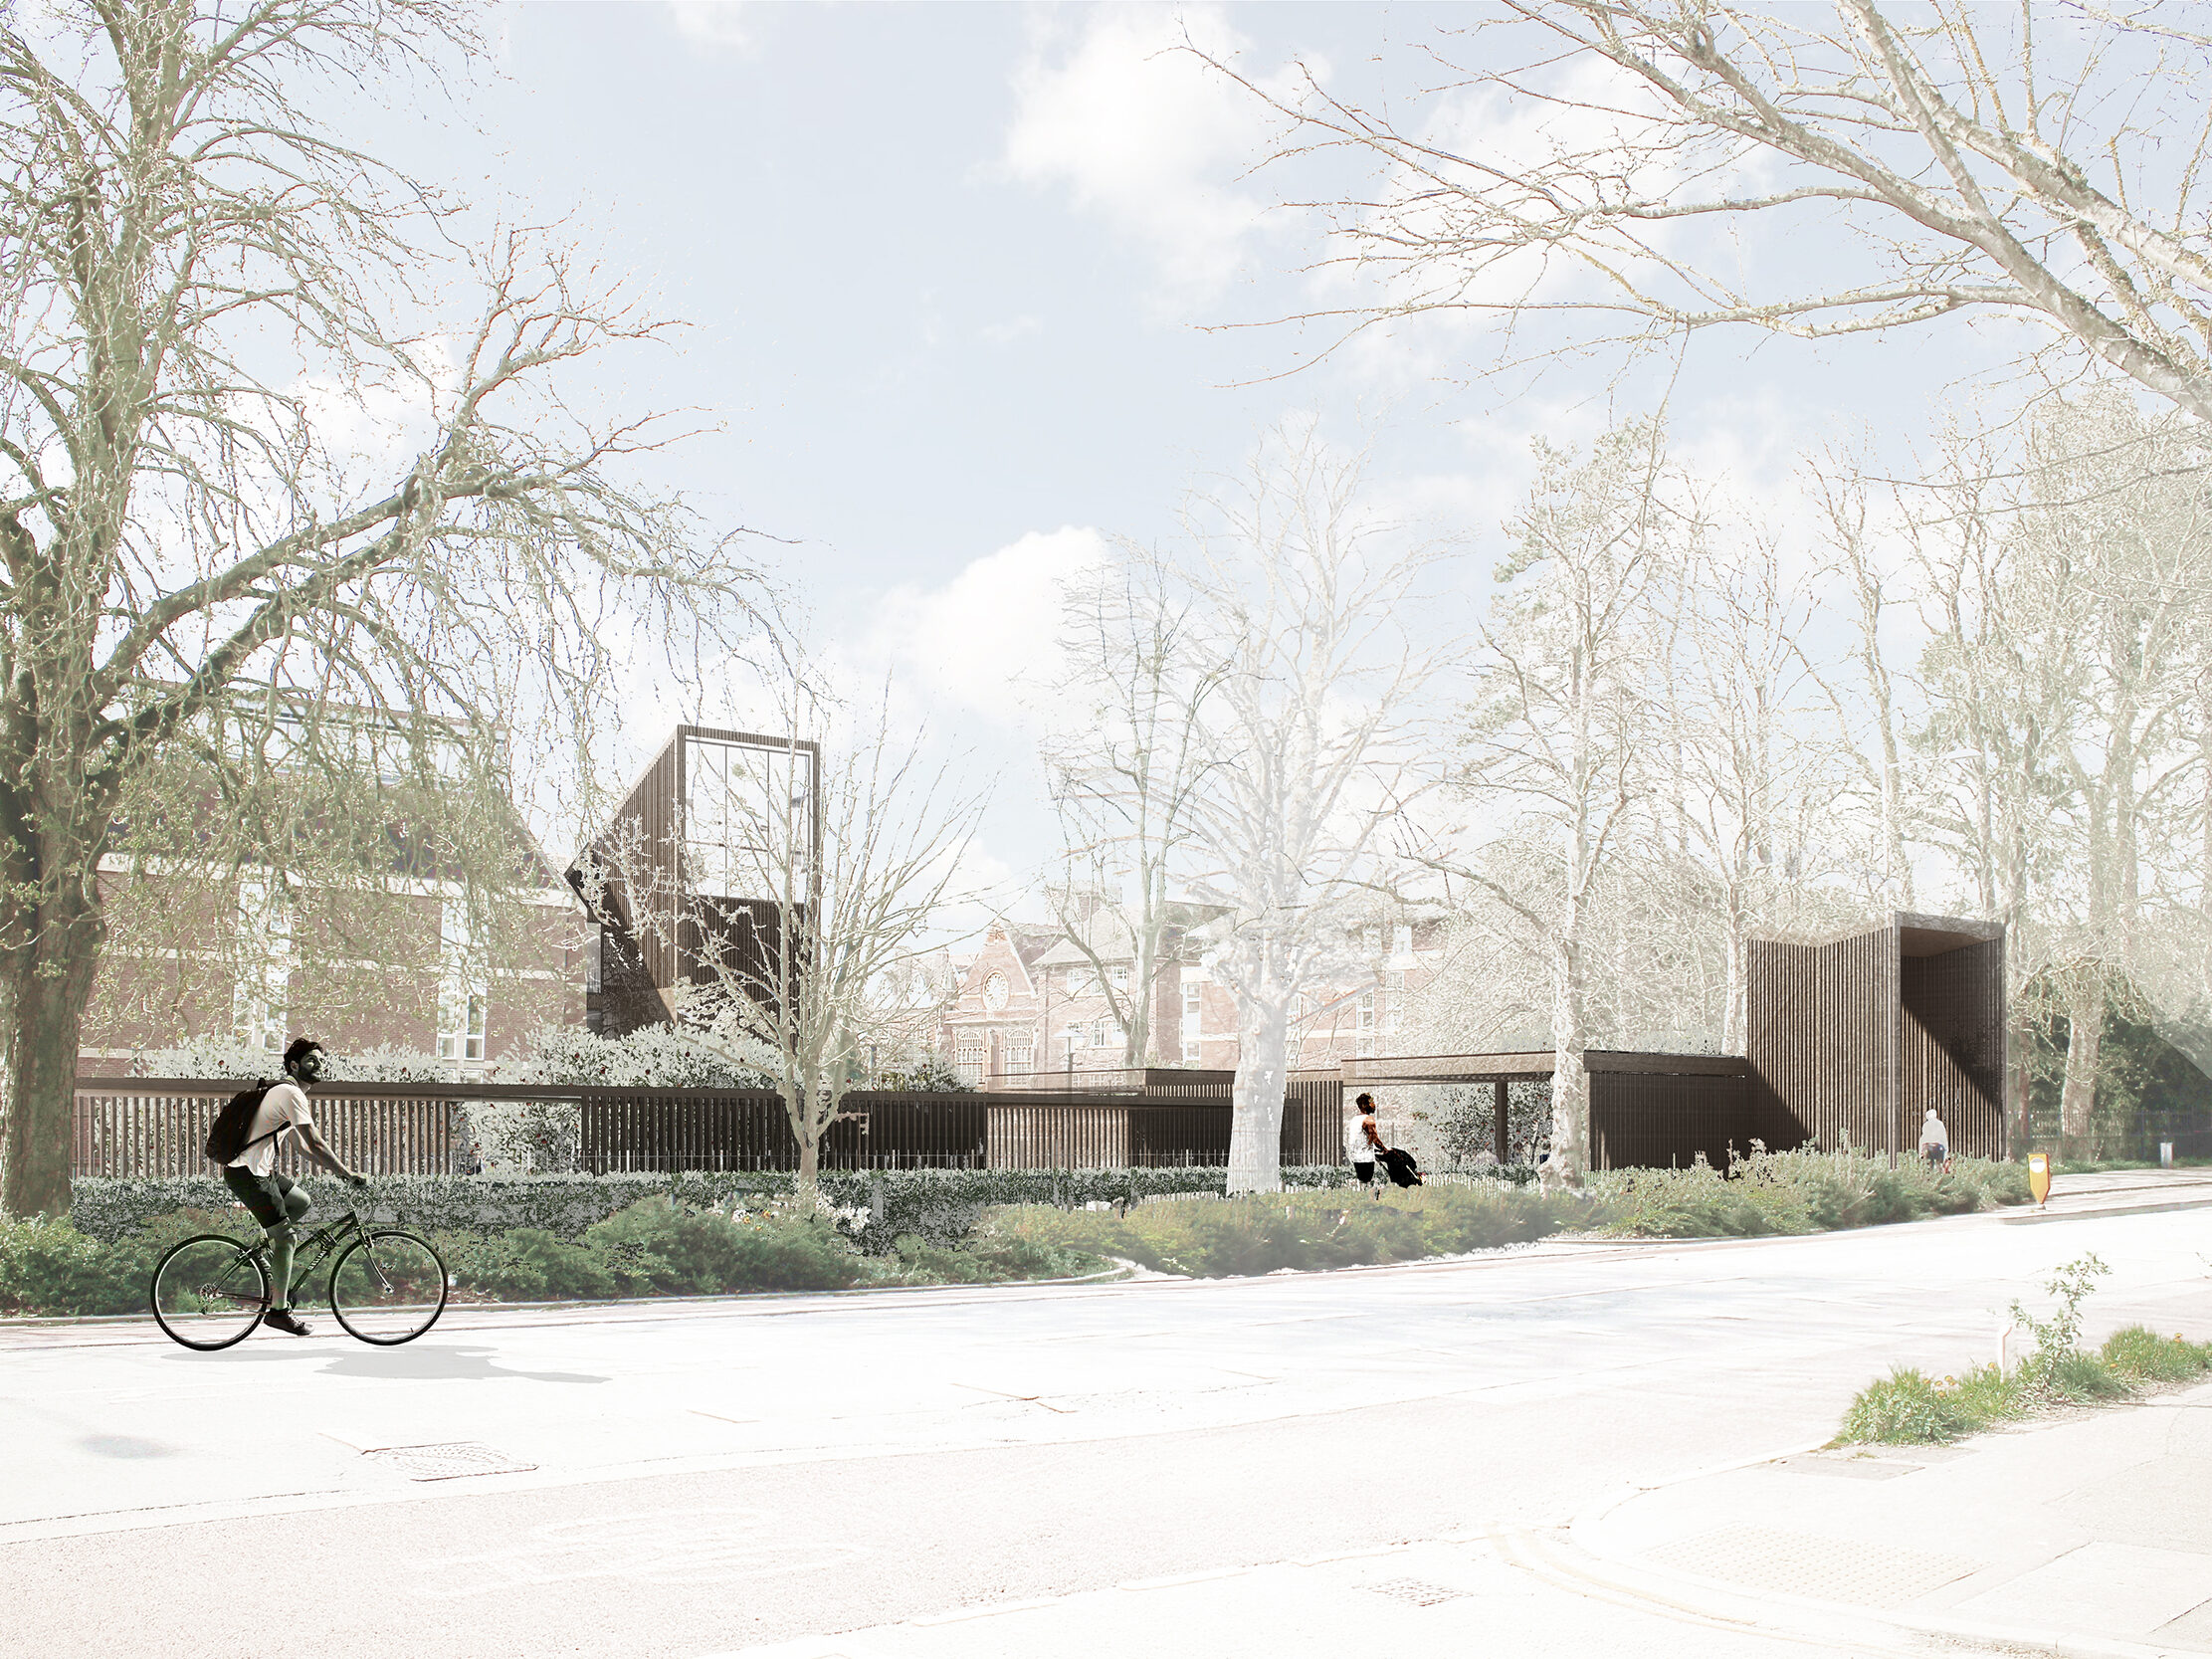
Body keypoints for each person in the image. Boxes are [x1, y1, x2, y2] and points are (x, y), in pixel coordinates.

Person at [220, 1037, 367, 1336]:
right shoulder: (290, 1092)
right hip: (248, 1174)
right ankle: (278, 1311)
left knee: (300, 1201)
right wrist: (346, 1173)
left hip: (260, 1172)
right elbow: (314, 1142)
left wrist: (336, 1171)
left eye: (322, 1062)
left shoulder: (286, 1092)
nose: (319, 1066)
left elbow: (302, 1147)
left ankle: (255, 1254)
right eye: (312, 1060)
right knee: (287, 1239)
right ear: (294, 1065)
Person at [1346, 1092, 1387, 1199]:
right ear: (1366, 1105)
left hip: (1356, 1157)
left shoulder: (1354, 1119)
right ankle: (1372, 1200)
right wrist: (1385, 1150)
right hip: (1366, 1158)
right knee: (1371, 1182)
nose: (1374, 1105)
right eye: (1372, 1102)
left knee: (1363, 1182)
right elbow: (1374, 1138)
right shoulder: (1368, 1120)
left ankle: (1363, 1199)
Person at [1918, 1107, 1950, 1171]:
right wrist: (1946, 1151)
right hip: (1938, 1147)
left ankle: (1929, 1177)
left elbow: (1922, 1139)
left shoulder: (1926, 1125)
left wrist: (1920, 1153)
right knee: (1939, 1166)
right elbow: (1944, 1138)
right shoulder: (1940, 1124)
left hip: (1927, 1147)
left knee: (1929, 1167)